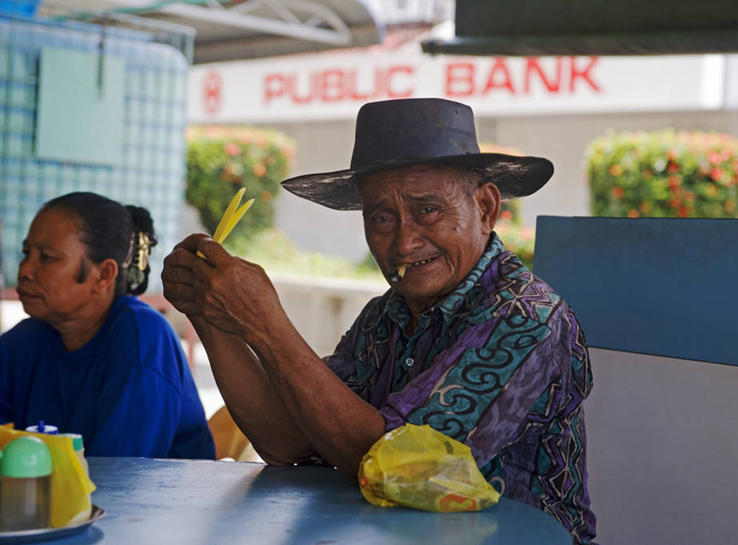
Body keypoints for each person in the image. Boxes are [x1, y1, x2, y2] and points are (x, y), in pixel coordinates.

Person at [162, 98, 596, 543]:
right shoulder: (384, 315)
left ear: (485, 208)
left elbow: (400, 469)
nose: (404, 243)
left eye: (428, 210)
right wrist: (209, 314)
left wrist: (267, 326)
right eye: (382, 218)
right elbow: (287, 442)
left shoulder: (527, 318)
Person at [0, 192, 215, 459]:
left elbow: (120, 480)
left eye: (47, 258)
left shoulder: (142, 340)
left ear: (103, 275)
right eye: (26, 253)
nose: (25, 270)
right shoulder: (26, 341)